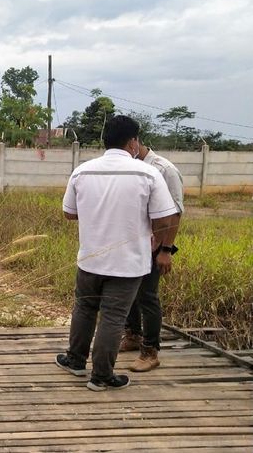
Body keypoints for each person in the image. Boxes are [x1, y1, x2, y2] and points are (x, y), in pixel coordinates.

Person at [56, 115, 177, 392]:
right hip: (128, 264)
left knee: (84, 308)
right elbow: (165, 219)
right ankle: (101, 376)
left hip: (89, 259)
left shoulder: (82, 171)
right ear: (133, 141)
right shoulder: (148, 174)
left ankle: (75, 360)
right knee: (112, 316)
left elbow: (68, 213)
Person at [120, 142, 184, 372]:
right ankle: (133, 335)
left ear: (134, 142)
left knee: (147, 296)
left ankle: (150, 351)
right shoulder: (128, 167)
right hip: (132, 243)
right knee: (129, 291)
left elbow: (175, 213)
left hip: (154, 246)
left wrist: (166, 250)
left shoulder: (164, 170)